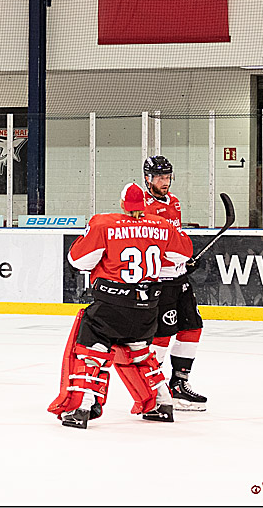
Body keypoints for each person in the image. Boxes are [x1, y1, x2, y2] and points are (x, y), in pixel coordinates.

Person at [48, 182, 193, 429]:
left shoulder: (104, 224)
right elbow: (182, 256)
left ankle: (82, 406)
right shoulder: (162, 225)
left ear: (123, 204)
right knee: (139, 352)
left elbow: (78, 260)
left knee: (88, 350)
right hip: (148, 308)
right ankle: (162, 402)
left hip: (112, 305)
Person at [142, 156, 209, 410]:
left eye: (168, 177)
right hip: (160, 281)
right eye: (160, 177)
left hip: (180, 278)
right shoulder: (144, 208)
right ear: (148, 178)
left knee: (193, 327)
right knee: (162, 335)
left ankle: (179, 384)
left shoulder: (175, 203)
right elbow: (152, 245)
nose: (165, 182)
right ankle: (154, 388)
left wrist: (186, 260)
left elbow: (176, 239)